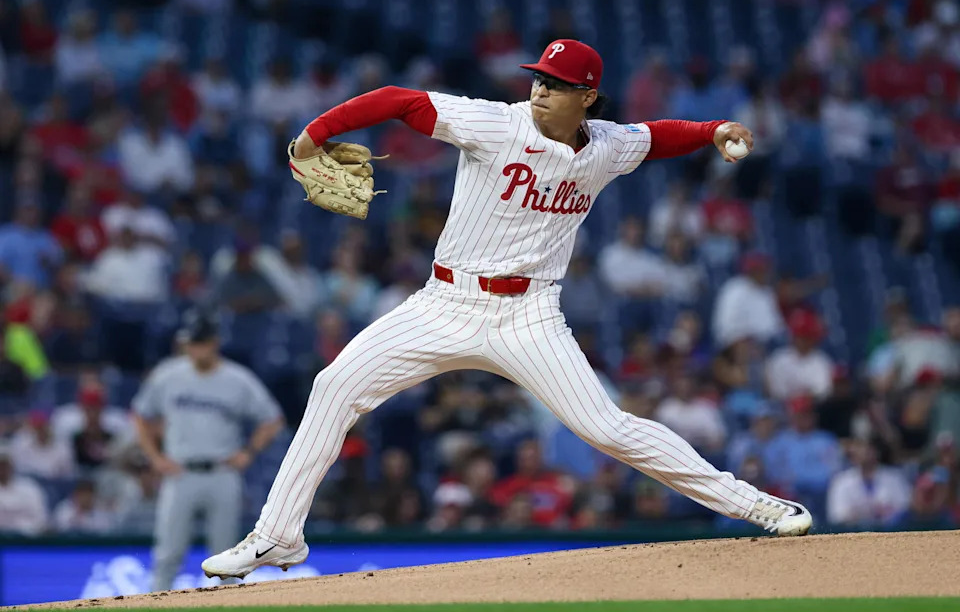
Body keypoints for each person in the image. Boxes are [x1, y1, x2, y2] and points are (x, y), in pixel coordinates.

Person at [202, 39, 812, 580]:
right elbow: (397, 98)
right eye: (538, 79)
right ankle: (277, 536)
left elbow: (656, 138)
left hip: (530, 316)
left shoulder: (605, 147)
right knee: (334, 386)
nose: (541, 91)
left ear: (589, 97)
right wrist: (316, 133)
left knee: (607, 427)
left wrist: (713, 131)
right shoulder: (496, 124)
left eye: (557, 85)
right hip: (444, 302)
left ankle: (752, 504)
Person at [132, 310, 285, 591]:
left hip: (221, 473)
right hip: (180, 473)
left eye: (200, 342)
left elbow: (272, 419)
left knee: (227, 560)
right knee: (167, 556)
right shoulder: (168, 375)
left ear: (214, 342)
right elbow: (140, 415)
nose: (194, 348)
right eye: (191, 342)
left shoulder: (237, 379)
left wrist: (248, 452)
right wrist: (155, 457)